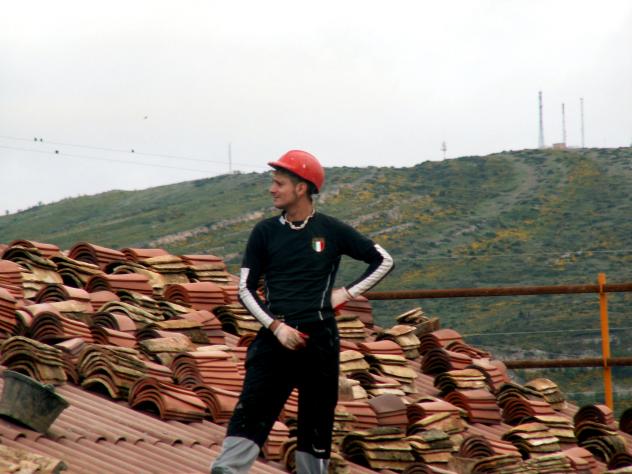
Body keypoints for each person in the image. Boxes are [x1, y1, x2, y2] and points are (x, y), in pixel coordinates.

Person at [211, 149, 394, 474]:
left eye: (279, 183)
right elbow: (245, 289)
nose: (272, 189)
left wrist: (346, 294)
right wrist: (276, 327)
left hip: (320, 342)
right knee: (252, 410)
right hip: (274, 340)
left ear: (301, 188)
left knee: (317, 423)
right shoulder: (265, 232)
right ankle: (227, 469)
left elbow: (384, 260)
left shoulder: (331, 230)